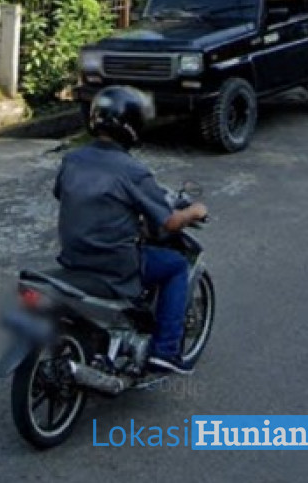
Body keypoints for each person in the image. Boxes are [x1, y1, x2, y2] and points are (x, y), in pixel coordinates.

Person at [53, 86, 208, 375]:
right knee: (176, 265)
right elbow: (170, 222)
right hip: (115, 264)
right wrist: (194, 211)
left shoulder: (72, 160)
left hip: (74, 257)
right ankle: (166, 350)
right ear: (133, 125)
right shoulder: (132, 170)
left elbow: (64, 194)